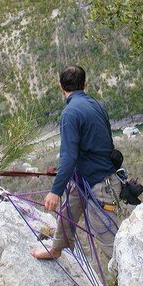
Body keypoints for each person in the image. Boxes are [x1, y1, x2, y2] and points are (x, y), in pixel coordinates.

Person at [31, 65, 122, 261]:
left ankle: (129, 280)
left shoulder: (70, 113)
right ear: (84, 85)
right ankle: (56, 249)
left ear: (60, 86)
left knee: (108, 241)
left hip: (98, 185)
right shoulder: (96, 105)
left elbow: (69, 156)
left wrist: (55, 191)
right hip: (92, 179)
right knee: (67, 214)